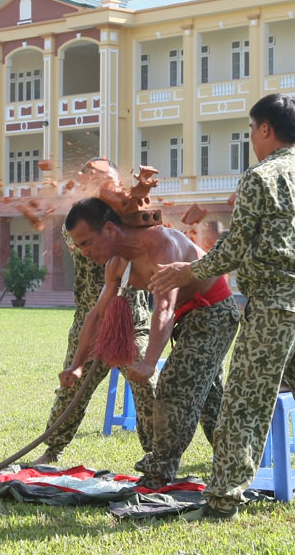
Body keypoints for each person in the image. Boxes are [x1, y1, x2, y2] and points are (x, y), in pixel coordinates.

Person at [151, 94, 295, 520]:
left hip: (275, 305)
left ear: (265, 129)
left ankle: (224, 499)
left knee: (245, 401)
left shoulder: (260, 177)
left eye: (251, 129)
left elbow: (238, 244)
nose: (251, 138)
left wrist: (189, 270)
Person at [59, 197, 238, 489]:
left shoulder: (160, 246)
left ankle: (158, 473)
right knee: (210, 400)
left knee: (175, 386)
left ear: (109, 229)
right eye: (79, 246)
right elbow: (97, 314)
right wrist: (77, 365)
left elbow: (163, 309)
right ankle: (233, 465)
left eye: (87, 243)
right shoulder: (116, 264)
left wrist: (150, 362)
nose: (84, 252)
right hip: (186, 317)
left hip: (213, 311)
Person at [32, 159, 157, 465]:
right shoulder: (79, 225)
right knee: (70, 388)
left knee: (147, 388)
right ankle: (52, 450)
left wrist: (138, 195)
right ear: (87, 184)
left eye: (113, 181)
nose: (110, 187)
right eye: (101, 181)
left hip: (133, 321)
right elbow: (93, 248)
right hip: (92, 319)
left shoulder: (126, 219)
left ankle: (156, 455)